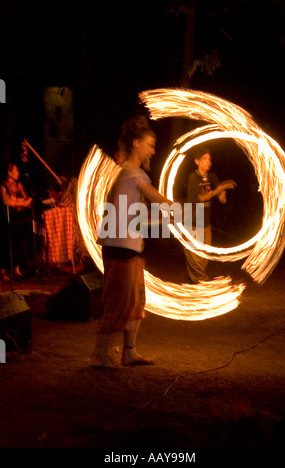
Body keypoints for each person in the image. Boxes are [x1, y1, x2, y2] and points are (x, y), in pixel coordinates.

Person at [92, 115, 174, 368]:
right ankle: (99, 353)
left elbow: (137, 216)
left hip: (129, 246)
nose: (153, 149)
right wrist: (181, 210)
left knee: (137, 301)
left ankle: (129, 352)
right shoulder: (131, 173)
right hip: (119, 247)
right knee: (118, 301)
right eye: (149, 144)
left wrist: (169, 218)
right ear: (136, 143)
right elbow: (155, 198)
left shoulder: (131, 175)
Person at [184, 147, 237, 282]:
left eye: (210, 160)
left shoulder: (211, 177)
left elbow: (218, 191)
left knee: (204, 254)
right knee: (195, 256)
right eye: (205, 159)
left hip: (206, 222)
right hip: (194, 221)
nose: (209, 162)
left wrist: (222, 194)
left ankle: (194, 281)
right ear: (197, 161)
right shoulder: (192, 178)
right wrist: (220, 189)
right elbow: (201, 198)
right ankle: (200, 282)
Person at [0, 162, 33, 281]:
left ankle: (16, 269)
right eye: (16, 171)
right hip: (6, 218)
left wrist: (22, 201)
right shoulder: (3, 185)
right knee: (5, 244)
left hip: (17, 217)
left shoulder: (19, 185)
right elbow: (5, 201)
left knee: (17, 243)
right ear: (9, 172)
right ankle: (3, 271)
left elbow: (26, 199)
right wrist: (20, 202)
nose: (18, 173)